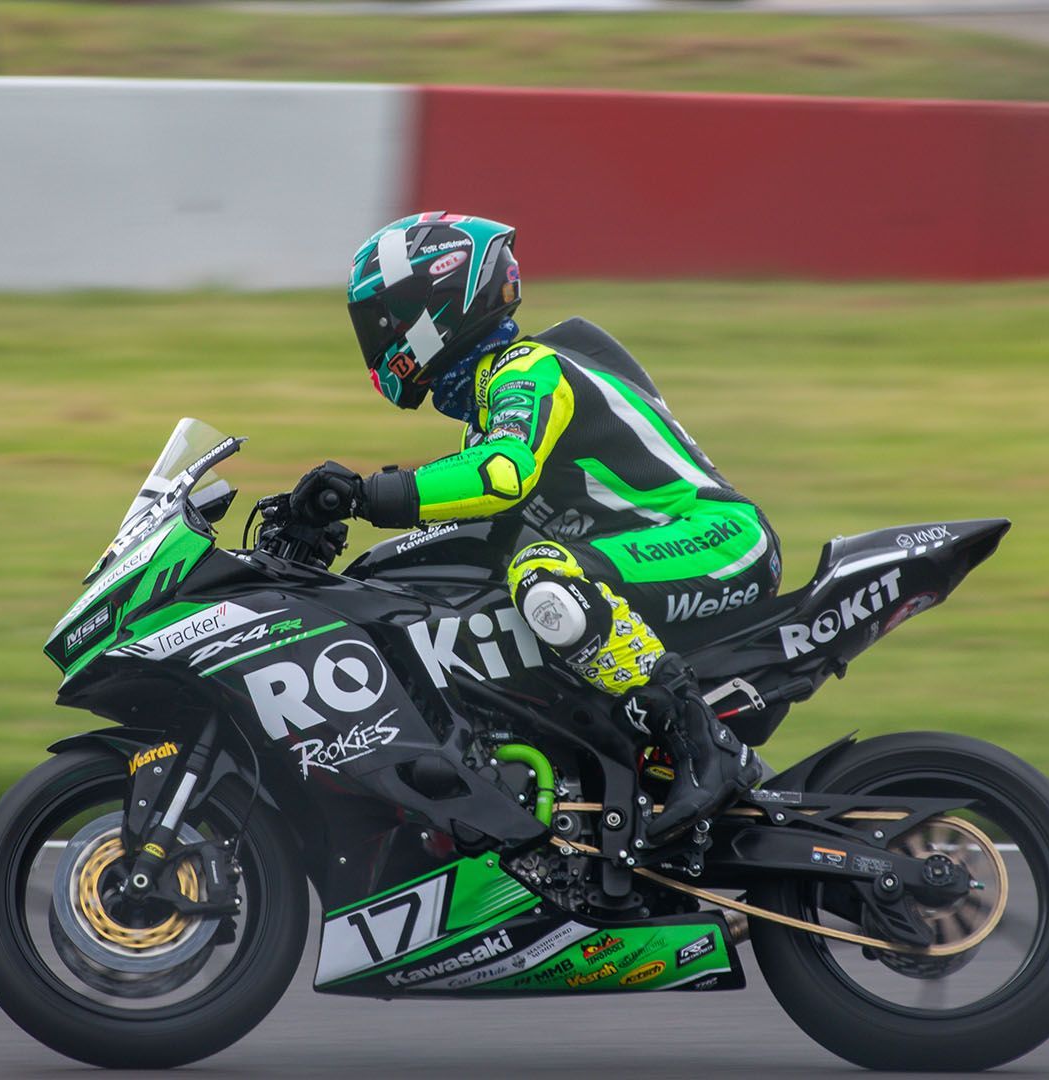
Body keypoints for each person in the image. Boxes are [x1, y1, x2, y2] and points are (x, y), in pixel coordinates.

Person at [290, 212, 774, 845]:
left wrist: (364, 494)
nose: (380, 341)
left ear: (436, 307)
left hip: (717, 537)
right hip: (643, 555)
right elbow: (462, 540)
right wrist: (332, 546)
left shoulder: (526, 369)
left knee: (543, 577)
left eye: (385, 322)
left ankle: (704, 747)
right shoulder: (489, 408)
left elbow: (501, 475)